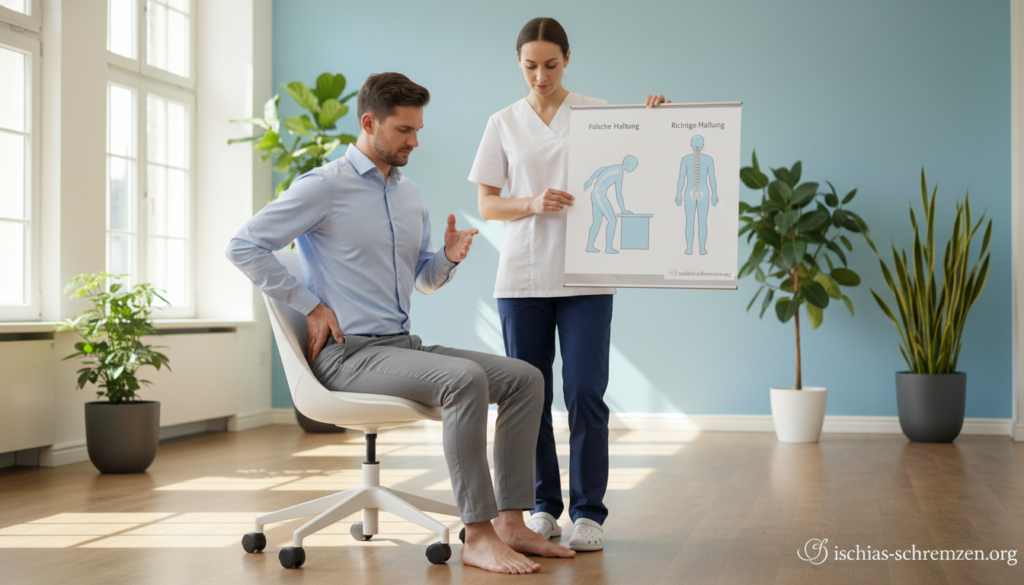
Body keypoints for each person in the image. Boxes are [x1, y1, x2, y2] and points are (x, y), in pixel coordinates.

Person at [225, 72, 576, 574]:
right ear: (369, 123)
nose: (415, 141)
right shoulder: (323, 187)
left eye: (418, 130)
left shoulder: (410, 194)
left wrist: (447, 259)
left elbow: (423, 282)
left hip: (399, 347)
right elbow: (242, 246)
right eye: (403, 131)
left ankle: (511, 523)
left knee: (525, 378)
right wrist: (309, 304)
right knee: (463, 379)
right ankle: (476, 535)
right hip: (346, 356)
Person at [469, 17, 670, 552]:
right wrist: (532, 203)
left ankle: (588, 512)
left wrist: (656, 123)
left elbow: (643, 161)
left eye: (551, 65)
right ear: (519, 63)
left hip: (586, 273)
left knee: (585, 392)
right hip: (522, 277)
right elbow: (487, 203)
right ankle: (542, 507)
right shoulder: (503, 123)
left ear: (568, 59)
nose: (541, 76)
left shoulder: (598, 113)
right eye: (530, 66)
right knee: (527, 397)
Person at [585, 155, 638, 254]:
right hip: (600, 194)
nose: (634, 169)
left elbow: (601, 169)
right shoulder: (619, 173)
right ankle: (609, 248)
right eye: (634, 166)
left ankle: (589, 246)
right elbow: (618, 194)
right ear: (628, 164)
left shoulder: (615, 167)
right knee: (612, 221)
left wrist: (591, 178)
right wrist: (623, 210)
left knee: (597, 222)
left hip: (595, 193)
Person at [675, 135, 718, 255]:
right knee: (702, 222)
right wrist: (714, 193)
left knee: (689, 221)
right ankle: (702, 249)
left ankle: (689, 249)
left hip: (689, 192)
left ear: (691, 145)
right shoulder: (709, 159)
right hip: (704, 191)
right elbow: (712, 179)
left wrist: (679, 193)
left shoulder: (685, 159)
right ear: (703, 145)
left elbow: (681, 178)